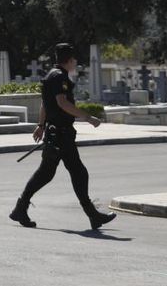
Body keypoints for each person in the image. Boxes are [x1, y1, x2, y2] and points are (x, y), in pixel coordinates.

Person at [10, 42, 116, 230]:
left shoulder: (52, 75)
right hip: (60, 134)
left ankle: (92, 215)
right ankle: (91, 215)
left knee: (62, 173)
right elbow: (62, 102)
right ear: (69, 60)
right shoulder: (60, 77)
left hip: (58, 133)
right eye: (74, 59)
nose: (75, 62)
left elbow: (45, 103)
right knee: (64, 173)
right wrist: (88, 117)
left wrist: (40, 125)